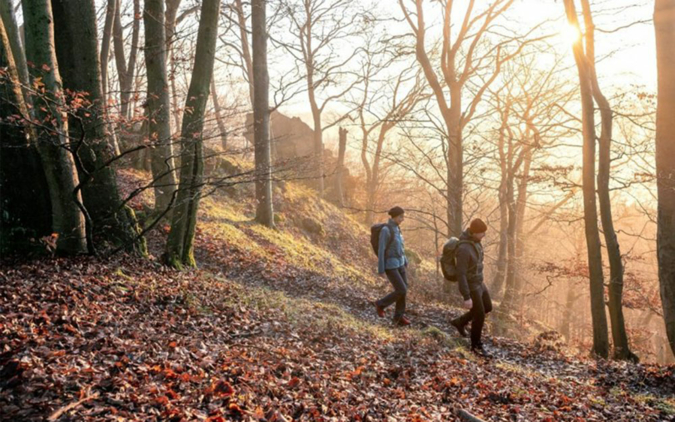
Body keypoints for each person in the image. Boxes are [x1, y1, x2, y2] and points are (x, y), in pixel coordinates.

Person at [449, 218, 493, 356]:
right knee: (479, 315)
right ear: (474, 233)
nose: (483, 235)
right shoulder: (463, 249)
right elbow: (461, 274)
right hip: (471, 285)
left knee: (488, 307)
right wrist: (466, 296)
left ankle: (459, 322)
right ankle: (476, 346)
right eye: (481, 233)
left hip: (480, 282)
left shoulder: (477, 243)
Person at [372, 206, 410, 326]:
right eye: (400, 217)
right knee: (401, 289)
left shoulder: (398, 229)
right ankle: (380, 304)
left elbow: (401, 247)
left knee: (404, 291)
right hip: (390, 265)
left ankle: (398, 317)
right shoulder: (386, 230)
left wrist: (405, 260)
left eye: (403, 217)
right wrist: (381, 268)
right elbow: (381, 249)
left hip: (400, 264)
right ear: (394, 216)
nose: (402, 219)